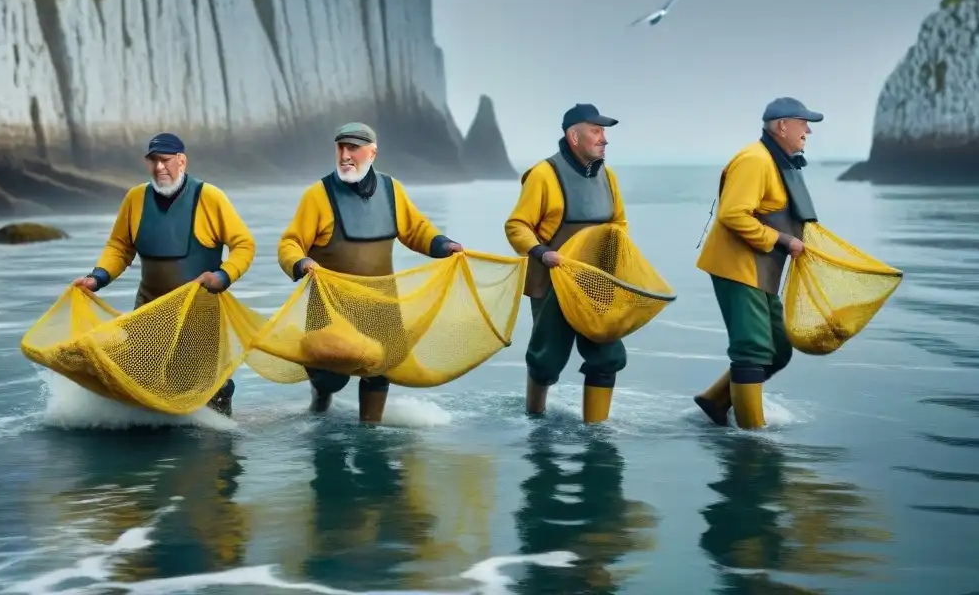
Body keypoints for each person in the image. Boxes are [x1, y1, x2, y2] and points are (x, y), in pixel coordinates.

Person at [276, 122, 463, 423]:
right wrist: (300, 263)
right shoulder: (318, 195)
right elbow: (290, 243)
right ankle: (320, 405)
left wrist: (442, 244)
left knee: (380, 371)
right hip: (330, 308)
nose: (345, 155)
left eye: (354, 148)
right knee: (329, 378)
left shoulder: (392, 190)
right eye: (341, 147)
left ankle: (370, 430)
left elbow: (416, 230)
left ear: (373, 152)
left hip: (381, 304)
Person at [72, 133, 256, 417]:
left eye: (166, 160)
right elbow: (120, 247)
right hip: (149, 307)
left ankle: (221, 407)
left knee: (204, 388)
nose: (159, 168)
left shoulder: (210, 197)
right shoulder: (135, 198)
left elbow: (244, 245)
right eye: (153, 161)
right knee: (139, 376)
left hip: (200, 311)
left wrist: (222, 276)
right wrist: (97, 277)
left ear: (182, 161)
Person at [693, 97, 823, 429]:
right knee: (751, 349)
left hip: (762, 271)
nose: (808, 130)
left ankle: (714, 400)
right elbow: (733, 214)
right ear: (781, 126)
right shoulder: (754, 160)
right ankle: (753, 436)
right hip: (738, 267)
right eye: (802, 122)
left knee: (778, 349)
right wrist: (784, 240)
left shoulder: (779, 161)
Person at [504, 103, 628, 424]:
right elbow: (517, 225)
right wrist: (542, 252)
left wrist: (618, 261)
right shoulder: (544, 175)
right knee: (546, 360)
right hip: (551, 281)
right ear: (574, 136)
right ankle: (534, 418)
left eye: (604, 132)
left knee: (607, 356)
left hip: (595, 282)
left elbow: (619, 225)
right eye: (596, 131)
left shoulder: (609, 177)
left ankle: (596, 429)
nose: (604, 139)